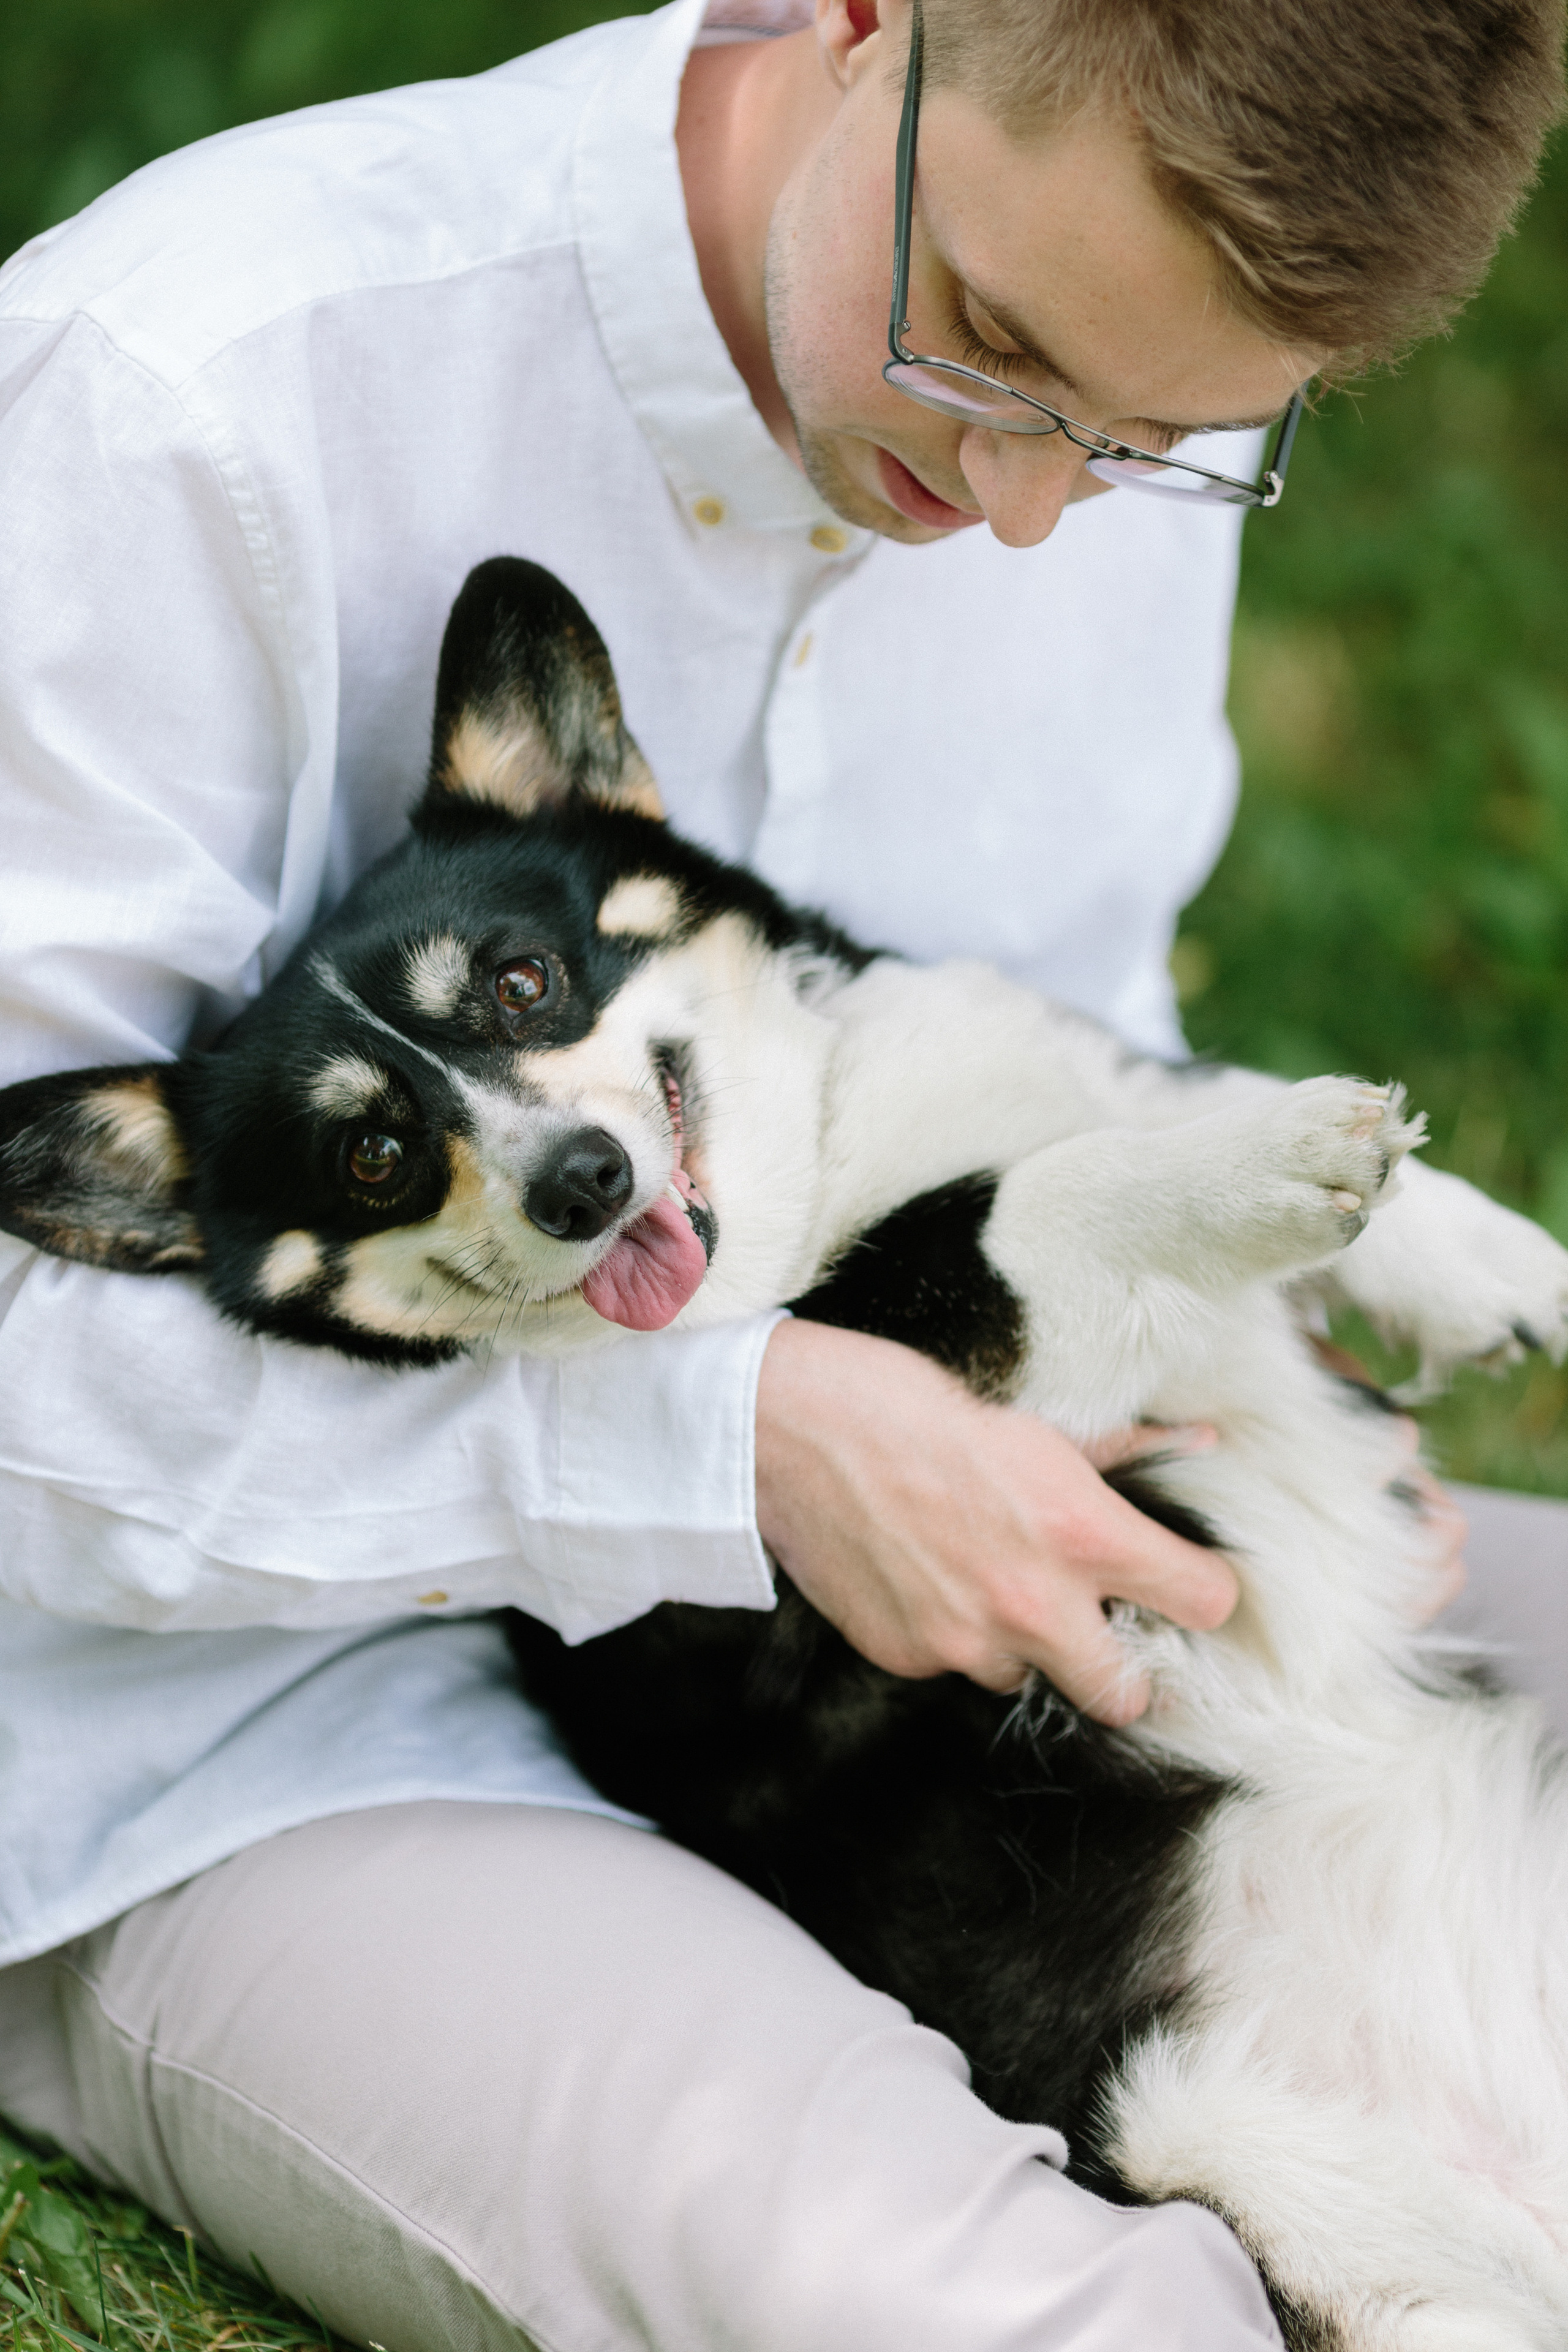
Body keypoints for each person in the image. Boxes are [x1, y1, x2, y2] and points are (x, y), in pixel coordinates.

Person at [0, 0, 1560, 2343]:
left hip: (1045, 1638)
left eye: (1153, 442)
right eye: (994, 349)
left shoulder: (1103, 387)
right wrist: (726, 1446)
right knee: (1050, 2314)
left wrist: (1280, 1397)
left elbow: (1061, 1035)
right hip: (247, 1730)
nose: (1032, 506)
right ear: (865, 19)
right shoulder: (180, 397)